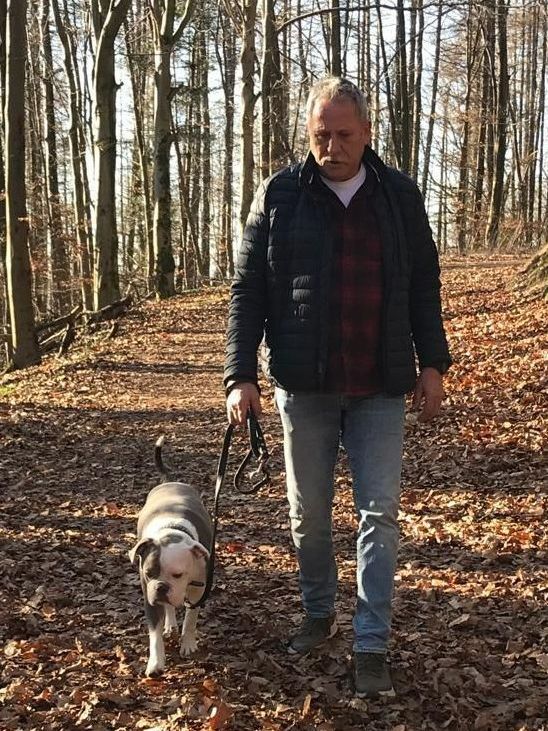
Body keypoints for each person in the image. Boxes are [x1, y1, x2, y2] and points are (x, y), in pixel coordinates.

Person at [224, 76, 451, 698]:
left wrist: (433, 364)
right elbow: (248, 290)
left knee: (379, 513)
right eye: (321, 135)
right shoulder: (279, 195)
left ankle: (371, 643)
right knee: (309, 515)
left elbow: (423, 285)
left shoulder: (399, 197)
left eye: (344, 134)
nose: (333, 146)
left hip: (380, 385)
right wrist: (240, 374)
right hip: (305, 386)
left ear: (366, 133)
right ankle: (318, 611)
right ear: (308, 133)